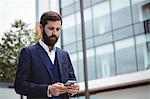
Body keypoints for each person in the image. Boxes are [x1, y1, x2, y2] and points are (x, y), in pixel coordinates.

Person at [14, 11, 80, 99]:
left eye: (57, 29)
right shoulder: (28, 52)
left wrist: (74, 88)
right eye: (51, 28)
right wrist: (48, 90)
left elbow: (72, 80)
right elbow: (20, 85)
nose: (54, 33)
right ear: (41, 28)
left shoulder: (64, 55)